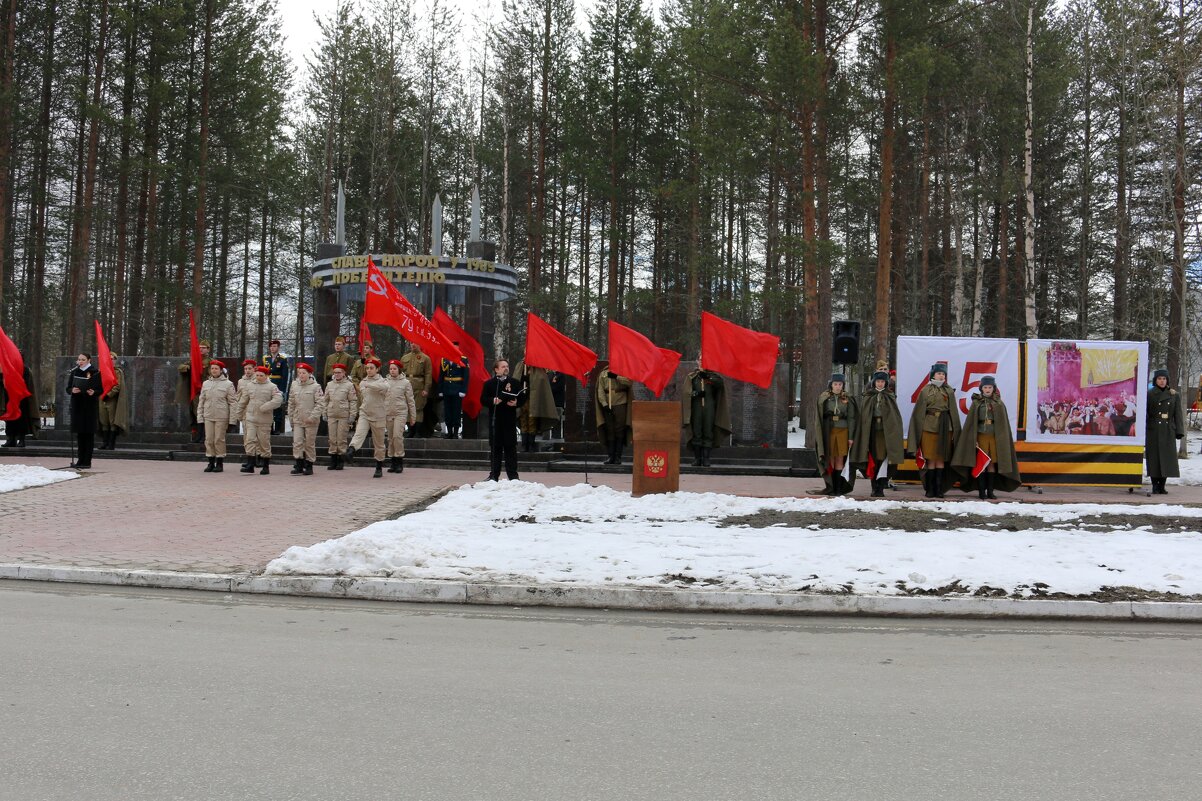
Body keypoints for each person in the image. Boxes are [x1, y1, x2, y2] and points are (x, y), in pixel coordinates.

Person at [951, 375, 1021, 499]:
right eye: (985, 387)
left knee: (992, 464)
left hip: (994, 437)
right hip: (981, 436)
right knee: (981, 463)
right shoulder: (977, 403)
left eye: (990, 387)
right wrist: (974, 439)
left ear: (994, 388)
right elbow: (971, 424)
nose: (987, 389)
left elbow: (1002, 424)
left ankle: (990, 491)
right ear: (981, 388)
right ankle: (981, 491)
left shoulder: (998, 403)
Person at [907, 362, 961, 498]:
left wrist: (955, 431)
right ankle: (929, 489)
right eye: (939, 373)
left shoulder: (949, 391)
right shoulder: (925, 390)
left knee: (941, 458)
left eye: (943, 374)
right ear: (933, 375)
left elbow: (953, 413)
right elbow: (919, 413)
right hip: (929, 427)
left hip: (945, 428)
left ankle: (939, 489)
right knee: (930, 457)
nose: (941, 376)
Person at [851, 369, 903, 498]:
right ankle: (874, 487)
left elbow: (895, 417)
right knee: (872, 460)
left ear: (886, 383)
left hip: (886, 434)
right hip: (871, 433)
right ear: (874, 383)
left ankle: (881, 486)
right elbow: (864, 417)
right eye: (878, 381)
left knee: (883, 460)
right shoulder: (868, 396)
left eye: (882, 382)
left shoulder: (890, 396)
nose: (880, 384)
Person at [481, 359, 527, 481]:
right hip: (495, 420)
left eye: (507, 366)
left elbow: (522, 398)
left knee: (510, 449)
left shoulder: (515, 383)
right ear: (496, 369)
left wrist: (517, 402)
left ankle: (513, 476)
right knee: (495, 449)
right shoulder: (490, 384)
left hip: (509, 420)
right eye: (503, 366)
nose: (506, 368)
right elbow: (483, 399)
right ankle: (494, 475)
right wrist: (493, 401)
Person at [814, 373, 857, 496]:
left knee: (840, 459)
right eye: (835, 384)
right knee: (830, 458)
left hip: (843, 431)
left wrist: (851, 437)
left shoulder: (848, 398)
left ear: (843, 385)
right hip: (830, 431)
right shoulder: (825, 397)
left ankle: (838, 488)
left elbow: (851, 418)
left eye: (840, 384)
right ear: (831, 385)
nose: (838, 386)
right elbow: (819, 416)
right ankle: (831, 487)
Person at [236, 364, 282, 475]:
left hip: (264, 419)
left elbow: (278, 400)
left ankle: (265, 465)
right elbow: (243, 400)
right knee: (250, 440)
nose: (259, 377)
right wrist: (238, 413)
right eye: (257, 375)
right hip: (251, 417)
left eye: (261, 375)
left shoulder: (272, 386)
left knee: (264, 442)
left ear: (266, 375)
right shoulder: (250, 386)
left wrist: (265, 407)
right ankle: (250, 464)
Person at [682, 365, 730, 467]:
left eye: (704, 360)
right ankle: (697, 459)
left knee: (708, 431)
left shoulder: (713, 376)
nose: (701, 362)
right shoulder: (692, 376)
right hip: (696, 408)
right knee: (697, 432)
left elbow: (720, 385)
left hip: (709, 408)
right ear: (697, 362)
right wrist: (696, 393)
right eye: (700, 360)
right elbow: (686, 393)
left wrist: (708, 377)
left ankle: (706, 459)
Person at [347, 358, 388, 477]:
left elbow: (385, 388)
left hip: (378, 415)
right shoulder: (363, 382)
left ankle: (379, 465)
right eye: (367, 368)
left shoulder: (383, 381)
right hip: (365, 413)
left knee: (379, 443)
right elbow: (362, 398)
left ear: (377, 369)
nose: (369, 370)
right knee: (359, 433)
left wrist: (369, 384)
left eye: (371, 368)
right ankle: (351, 450)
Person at [1146, 369, 1184, 494]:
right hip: (1153, 429)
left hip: (1168, 429)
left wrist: (1179, 431)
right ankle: (1154, 485)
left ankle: (1162, 485)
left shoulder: (1174, 395)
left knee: (1167, 458)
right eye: (1159, 379)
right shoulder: (1149, 394)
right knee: (1154, 458)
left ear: (1167, 380)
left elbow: (1178, 414)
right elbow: (1145, 413)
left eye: (1164, 379)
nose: (1162, 381)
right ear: (1155, 380)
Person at [196, 360, 238, 472]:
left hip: (221, 416)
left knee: (219, 439)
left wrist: (232, 421)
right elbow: (201, 402)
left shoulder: (228, 384)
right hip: (208, 415)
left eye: (216, 368)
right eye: (212, 368)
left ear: (221, 370)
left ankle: (219, 462)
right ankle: (210, 462)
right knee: (209, 439)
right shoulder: (206, 384)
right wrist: (200, 418)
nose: (214, 370)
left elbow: (233, 403)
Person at [287, 363, 325, 476]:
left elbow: (320, 404)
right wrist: (291, 417)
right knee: (297, 442)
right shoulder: (294, 385)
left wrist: (312, 417)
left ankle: (309, 465)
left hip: (310, 420)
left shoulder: (315, 387)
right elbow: (291, 402)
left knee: (309, 443)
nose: (301, 375)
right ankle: (298, 463)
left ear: (309, 374)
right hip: (298, 419)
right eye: (299, 373)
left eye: (304, 373)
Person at [67, 353, 103, 469]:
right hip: (77, 406)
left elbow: (100, 389)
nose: (80, 362)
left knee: (88, 434)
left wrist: (94, 392)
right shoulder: (74, 372)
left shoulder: (95, 372)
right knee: (80, 435)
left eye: (83, 360)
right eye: (79, 360)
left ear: (89, 360)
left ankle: (87, 461)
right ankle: (80, 459)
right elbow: (68, 388)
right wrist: (73, 390)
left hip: (89, 407)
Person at [514, 361, 558, 453]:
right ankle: (524, 444)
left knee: (532, 420)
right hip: (522, 398)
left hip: (533, 399)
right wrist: (523, 377)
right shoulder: (520, 365)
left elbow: (542, 380)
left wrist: (530, 378)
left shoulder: (538, 367)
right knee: (523, 420)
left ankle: (531, 444)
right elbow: (515, 379)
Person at [593, 366, 633, 465]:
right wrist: (604, 404)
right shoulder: (603, 373)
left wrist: (617, 376)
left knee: (619, 430)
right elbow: (600, 390)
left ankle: (618, 457)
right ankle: (611, 456)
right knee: (610, 430)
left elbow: (629, 383)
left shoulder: (623, 371)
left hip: (620, 403)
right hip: (608, 404)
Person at [322, 363, 358, 470]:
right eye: (335, 372)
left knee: (341, 438)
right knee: (332, 438)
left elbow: (353, 401)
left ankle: (340, 461)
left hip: (343, 415)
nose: (337, 374)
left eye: (339, 372)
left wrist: (352, 415)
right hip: (332, 414)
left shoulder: (349, 385)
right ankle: (333, 460)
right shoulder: (329, 385)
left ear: (344, 373)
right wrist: (324, 413)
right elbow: (325, 400)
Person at [384, 359, 416, 473]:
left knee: (397, 437)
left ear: (399, 370)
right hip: (388, 413)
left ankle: (399, 461)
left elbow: (410, 400)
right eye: (391, 369)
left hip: (400, 413)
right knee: (390, 438)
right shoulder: (385, 382)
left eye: (394, 369)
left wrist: (413, 416)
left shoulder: (405, 383)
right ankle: (392, 461)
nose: (392, 371)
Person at [176, 339, 212, 442]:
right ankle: (196, 434)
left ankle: (203, 435)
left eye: (203, 348)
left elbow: (211, 375)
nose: (201, 350)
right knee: (193, 413)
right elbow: (180, 367)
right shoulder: (193, 360)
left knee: (201, 413)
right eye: (199, 348)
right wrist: (187, 367)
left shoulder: (210, 361)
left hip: (204, 390)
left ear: (208, 349)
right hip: (194, 391)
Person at [98, 352, 129, 451]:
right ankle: (105, 443)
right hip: (101, 399)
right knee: (104, 421)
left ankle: (111, 444)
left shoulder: (117, 371)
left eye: (112, 359)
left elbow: (117, 386)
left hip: (111, 400)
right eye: (109, 358)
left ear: (115, 360)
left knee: (112, 422)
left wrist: (109, 395)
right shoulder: (101, 371)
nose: (111, 360)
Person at [401, 341, 433, 437]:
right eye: (411, 343)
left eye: (415, 343)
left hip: (419, 385)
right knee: (407, 408)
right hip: (406, 385)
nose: (413, 345)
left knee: (418, 408)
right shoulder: (404, 358)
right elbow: (400, 373)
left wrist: (426, 389)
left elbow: (428, 374)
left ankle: (418, 431)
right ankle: (411, 431)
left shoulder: (426, 358)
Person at [1, 361, 36, 448]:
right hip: (9, 397)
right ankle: (11, 439)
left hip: (21, 398)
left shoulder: (25, 369)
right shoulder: (7, 367)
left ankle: (21, 439)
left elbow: (26, 383)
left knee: (21, 419)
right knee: (10, 418)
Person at [233, 358, 257, 472]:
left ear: (254, 369)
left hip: (255, 412)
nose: (247, 371)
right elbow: (238, 396)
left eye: (249, 368)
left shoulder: (259, 379)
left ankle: (257, 458)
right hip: (245, 412)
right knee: (247, 437)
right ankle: (250, 459)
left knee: (255, 437)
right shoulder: (241, 381)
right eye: (245, 369)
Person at [439, 346, 469, 438]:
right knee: (447, 411)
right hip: (447, 388)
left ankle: (456, 432)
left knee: (456, 411)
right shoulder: (444, 360)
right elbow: (441, 376)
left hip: (457, 389)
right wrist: (440, 390)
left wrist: (463, 390)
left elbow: (466, 376)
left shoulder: (463, 359)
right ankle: (449, 432)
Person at [262, 339, 290, 435]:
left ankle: (278, 428)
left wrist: (282, 389)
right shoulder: (265, 358)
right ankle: (269, 428)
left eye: (274, 346)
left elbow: (285, 375)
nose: (272, 348)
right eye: (271, 346)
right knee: (268, 406)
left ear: (278, 348)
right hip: (267, 383)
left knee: (277, 406)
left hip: (278, 384)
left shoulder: (282, 359)